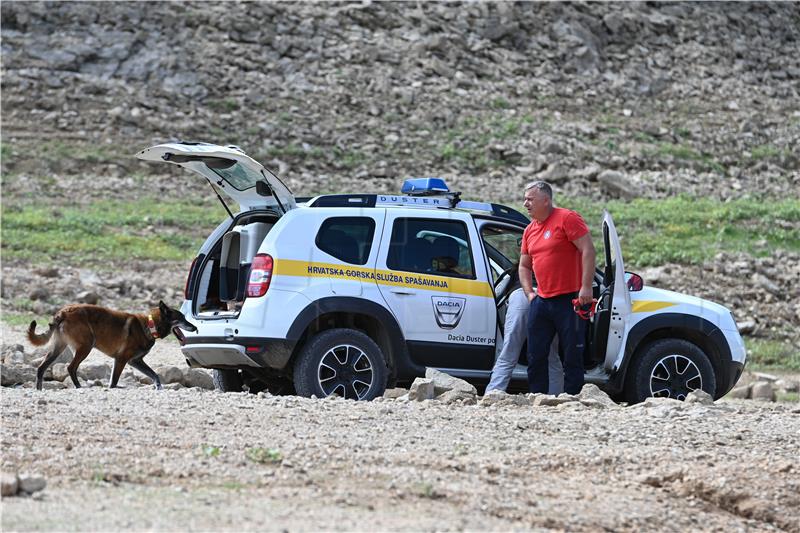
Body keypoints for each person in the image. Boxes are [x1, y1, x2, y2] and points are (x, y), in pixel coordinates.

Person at [519, 181, 595, 395]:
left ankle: (573, 400)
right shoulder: (529, 230)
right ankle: (538, 397)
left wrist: (586, 287)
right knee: (535, 355)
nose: (525, 203)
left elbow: (588, 250)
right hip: (541, 301)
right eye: (525, 199)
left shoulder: (567, 218)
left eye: (530, 199)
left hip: (570, 299)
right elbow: (524, 266)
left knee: (572, 355)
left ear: (546, 200)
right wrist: (530, 294)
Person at [486, 287, 564, 395]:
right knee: (551, 356)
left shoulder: (515, 273)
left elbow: (497, 292)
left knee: (508, 354)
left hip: (520, 296)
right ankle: (556, 399)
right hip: (546, 296)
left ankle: (492, 393)